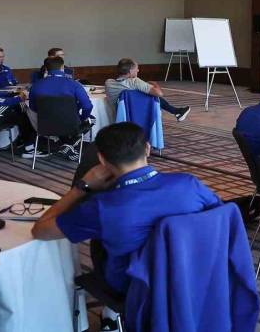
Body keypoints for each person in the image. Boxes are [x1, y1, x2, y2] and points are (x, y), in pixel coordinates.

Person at [31, 122, 221, 298]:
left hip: (135, 289)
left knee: (101, 236)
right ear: (147, 148)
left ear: (101, 159)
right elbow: (223, 218)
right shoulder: (189, 184)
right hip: (195, 274)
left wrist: (81, 188)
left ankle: (111, 314)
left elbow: (40, 230)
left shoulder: (103, 207)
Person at [29, 56, 94, 161]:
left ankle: (64, 144)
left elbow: (33, 108)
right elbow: (87, 106)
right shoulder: (74, 84)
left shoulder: (36, 86)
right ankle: (69, 144)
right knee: (92, 119)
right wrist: (82, 118)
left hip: (45, 126)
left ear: (46, 69)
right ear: (62, 67)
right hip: (71, 125)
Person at [104, 58, 190, 122]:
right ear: (130, 71)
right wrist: (155, 84)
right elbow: (159, 93)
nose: (138, 70)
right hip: (138, 115)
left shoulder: (108, 83)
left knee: (142, 94)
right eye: (136, 68)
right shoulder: (135, 82)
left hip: (118, 117)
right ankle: (176, 111)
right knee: (152, 96)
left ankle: (176, 111)